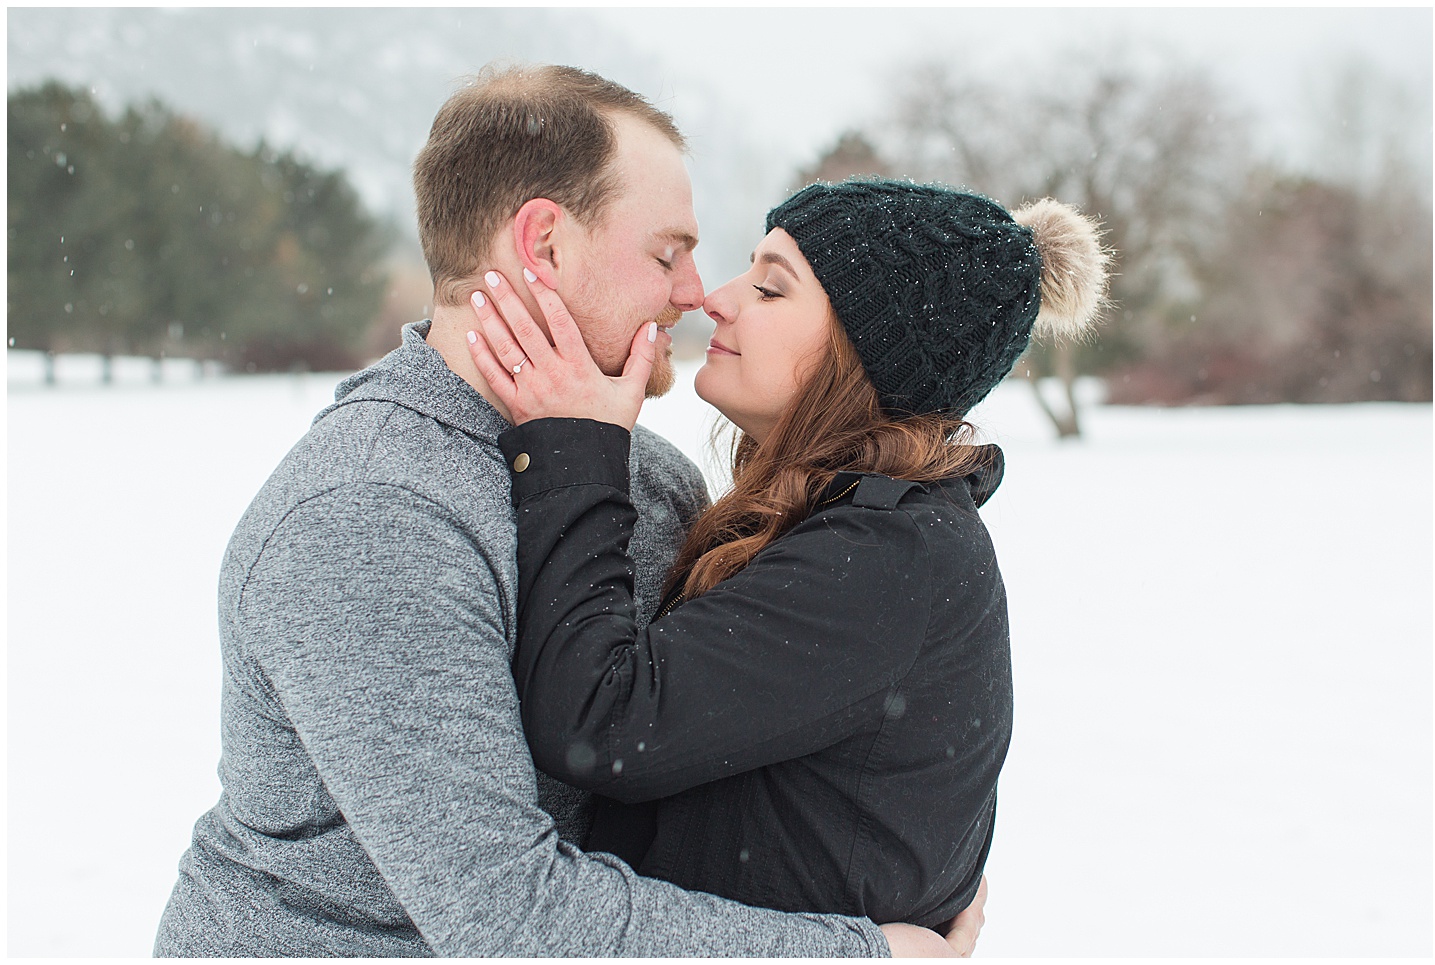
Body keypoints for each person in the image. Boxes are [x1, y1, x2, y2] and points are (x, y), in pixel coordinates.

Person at [154, 65, 981, 956]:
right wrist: (867, 951)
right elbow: (514, 920)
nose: (695, 291)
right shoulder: (368, 515)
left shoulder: (646, 477)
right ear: (545, 246)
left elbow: (714, 756)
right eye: (668, 252)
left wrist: (913, 851)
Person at [464, 179, 1108, 927]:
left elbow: (602, 723)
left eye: (771, 289)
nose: (718, 299)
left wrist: (573, 449)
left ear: (863, 357)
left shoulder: (888, 556)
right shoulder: (856, 528)